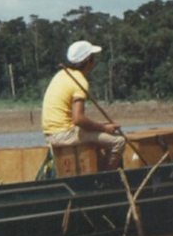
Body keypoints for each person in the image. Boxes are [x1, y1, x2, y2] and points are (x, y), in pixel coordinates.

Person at [41, 39, 126, 169]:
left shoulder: (61, 74)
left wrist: (102, 126)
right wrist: (104, 128)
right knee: (118, 141)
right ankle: (104, 177)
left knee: (100, 133)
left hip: (53, 133)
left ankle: (97, 168)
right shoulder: (79, 81)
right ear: (88, 61)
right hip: (63, 135)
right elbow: (78, 119)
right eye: (93, 58)